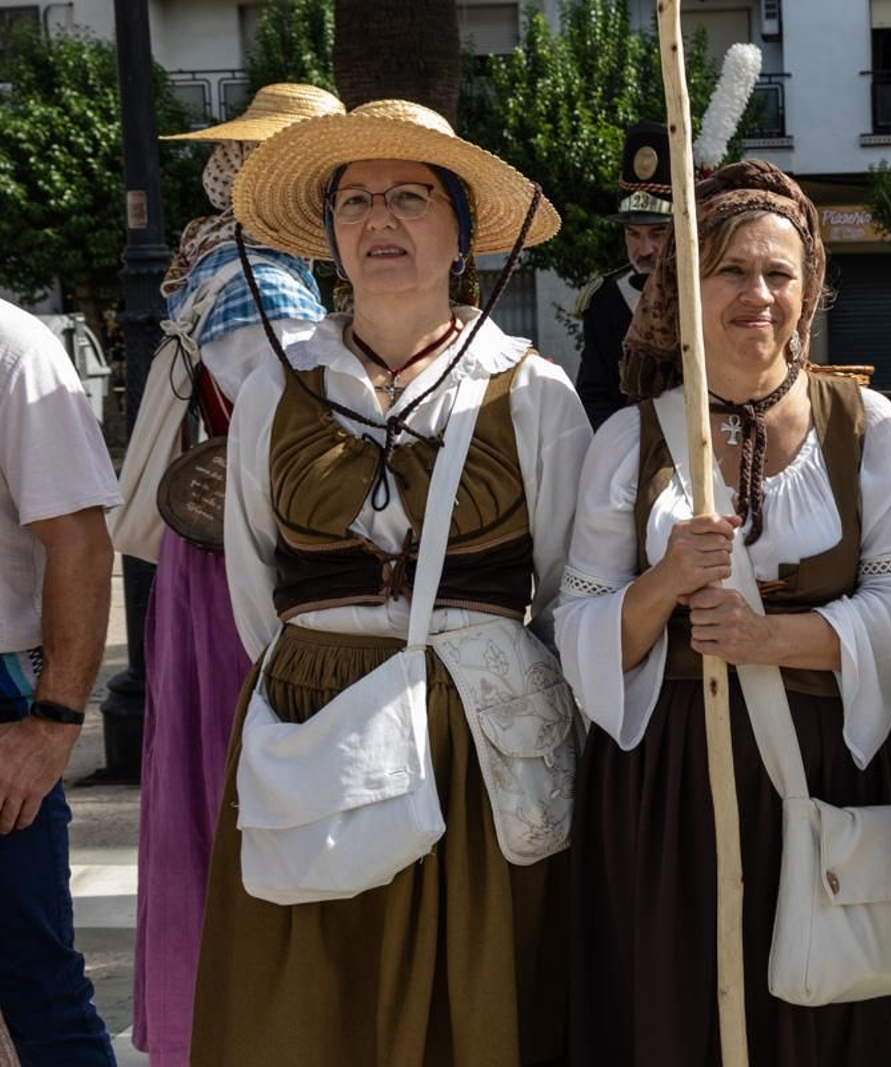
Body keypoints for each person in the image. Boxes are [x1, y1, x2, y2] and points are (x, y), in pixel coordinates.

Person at [189, 99, 590, 1066]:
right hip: (309, 743)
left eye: (410, 197)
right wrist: (328, 683)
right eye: (356, 201)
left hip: (475, 761)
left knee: (477, 1011)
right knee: (312, 1013)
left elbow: (571, 594)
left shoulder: (533, 390)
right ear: (328, 235)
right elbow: (258, 592)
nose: (381, 220)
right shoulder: (276, 394)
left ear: (461, 231)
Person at [556, 159, 891, 1066]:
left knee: (816, 1008)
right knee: (678, 1002)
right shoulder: (631, 438)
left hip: (819, 769)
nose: (756, 293)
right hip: (667, 784)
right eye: (729, 270)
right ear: (684, 287)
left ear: (809, 291)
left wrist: (771, 637)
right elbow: (574, 626)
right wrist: (662, 585)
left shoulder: (866, 424)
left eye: (778, 273)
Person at [119, 82, 342, 1067]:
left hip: (209, 554)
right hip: (235, 561)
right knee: (240, 784)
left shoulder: (222, 264)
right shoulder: (267, 287)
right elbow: (300, 442)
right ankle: (247, 1016)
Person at [0, 299, 121, 1065]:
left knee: (36, 986)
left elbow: (78, 538)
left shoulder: (13, 347)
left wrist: (53, 721)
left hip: (4, 699)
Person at [573, 121, 674, 429]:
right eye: (633, 234)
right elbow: (593, 397)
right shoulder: (605, 299)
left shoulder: (708, 291)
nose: (644, 249)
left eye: (658, 233)